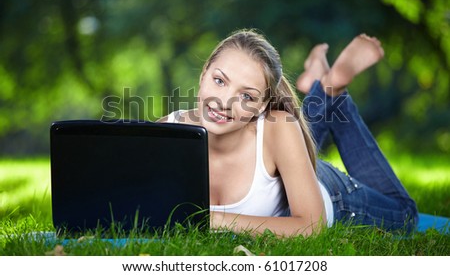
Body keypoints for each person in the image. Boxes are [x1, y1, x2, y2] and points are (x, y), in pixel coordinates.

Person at [159, 29, 418, 237]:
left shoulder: (277, 125)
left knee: (406, 215)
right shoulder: (166, 133)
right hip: (282, 163)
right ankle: (321, 86)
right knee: (288, 134)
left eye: (246, 95)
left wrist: (212, 220)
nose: (224, 101)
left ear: (261, 106)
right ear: (204, 74)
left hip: (332, 197)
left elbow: (311, 226)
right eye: (219, 80)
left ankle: (332, 88)